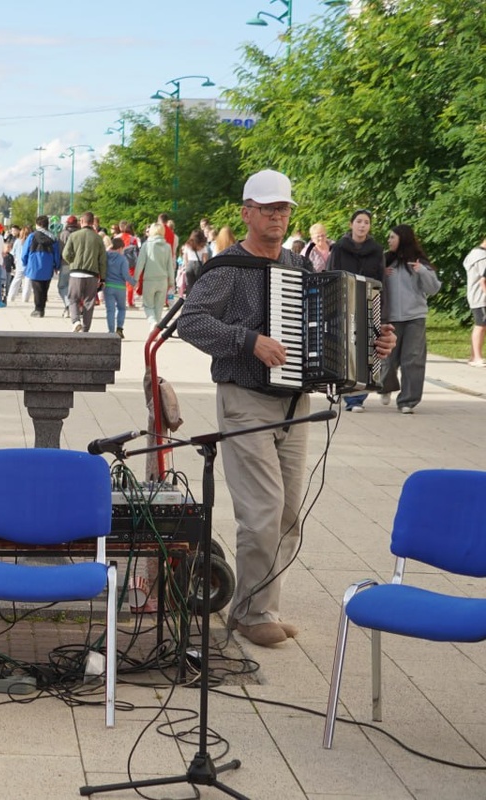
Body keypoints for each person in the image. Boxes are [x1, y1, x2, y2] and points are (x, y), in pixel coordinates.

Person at [178, 169, 396, 647]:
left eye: (284, 209)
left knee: (288, 512)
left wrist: (372, 345)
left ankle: (259, 608)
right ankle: (253, 616)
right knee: (262, 509)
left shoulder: (300, 267)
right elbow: (190, 323)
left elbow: (330, 332)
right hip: (246, 399)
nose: (277, 216)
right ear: (247, 213)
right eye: (268, 208)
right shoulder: (227, 268)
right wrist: (248, 341)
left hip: (296, 404)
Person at [325, 209, 385, 412]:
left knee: (364, 350)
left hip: (367, 303)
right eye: (359, 221)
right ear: (351, 224)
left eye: (366, 222)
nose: (362, 225)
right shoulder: (339, 248)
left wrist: (380, 309)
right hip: (343, 302)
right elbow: (331, 273)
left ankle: (356, 398)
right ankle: (338, 388)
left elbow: (381, 281)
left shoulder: (376, 250)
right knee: (341, 347)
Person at [378, 225, 440, 414]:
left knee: (412, 359)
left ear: (402, 239)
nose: (389, 241)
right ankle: (385, 387)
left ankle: (407, 401)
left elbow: (433, 288)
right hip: (391, 318)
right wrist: (382, 272)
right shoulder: (386, 260)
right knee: (388, 360)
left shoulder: (419, 263)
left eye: (392, 237)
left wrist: (422, 270)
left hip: (415, 317)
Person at [61, 212, 105, 332]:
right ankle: (85, 329)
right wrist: (103, 278)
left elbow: (65, 254)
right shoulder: (98, 238)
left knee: (73, 298)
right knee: (89, 302)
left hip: (76, 273)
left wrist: (73, 262)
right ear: (93, 223)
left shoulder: (74, 235)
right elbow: (102, 260)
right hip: (92, 274)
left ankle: (75, 321)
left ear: (81, 221)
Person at [20, 216, 60, 317]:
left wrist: (25, 262)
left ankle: (38, 309)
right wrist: (57, 265)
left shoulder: (32, 236)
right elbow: (56, 253)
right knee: (45, 288)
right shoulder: (53, 238)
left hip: (34, 265)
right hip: (48, 266)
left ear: (37, 224)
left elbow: (25, 252)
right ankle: (42, 307)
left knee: (37, 289)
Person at [135, 222, 173, 324]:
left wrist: (135, 279)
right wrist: (172, 282)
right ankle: (155, 330)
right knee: (159, 308)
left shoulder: (146, 246)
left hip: (149, 280)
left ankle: (153, 323)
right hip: (163, 281)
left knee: (148, 306)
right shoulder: (167, 247)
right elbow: (170, 265)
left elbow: (140, 264)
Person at [102, 237, 135, 337]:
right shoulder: (122, 259)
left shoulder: (106, 256)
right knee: (121, 308)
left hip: (108, 286)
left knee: (110, 310)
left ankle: (111, 331)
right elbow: (126, 275)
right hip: (120, 287)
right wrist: (134, 283)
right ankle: (119, 329)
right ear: (120, 248)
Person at [463, 236, 486, 367]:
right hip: (481, 297)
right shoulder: (481, 257)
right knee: (481, 325)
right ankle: (476, 357)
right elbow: (484, 279)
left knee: (481, 325)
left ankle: (474, 356)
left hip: (477, 296)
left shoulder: (475, 254)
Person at [178, 228, 208, 297]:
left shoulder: (187, 244)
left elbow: (185, 257)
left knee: (189, 285)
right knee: (199, 284)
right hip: (199, 265)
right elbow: (205, 259)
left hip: (190, 265)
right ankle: (198, 299)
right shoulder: (203, 245)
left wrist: (186, 266)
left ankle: (189, 300)